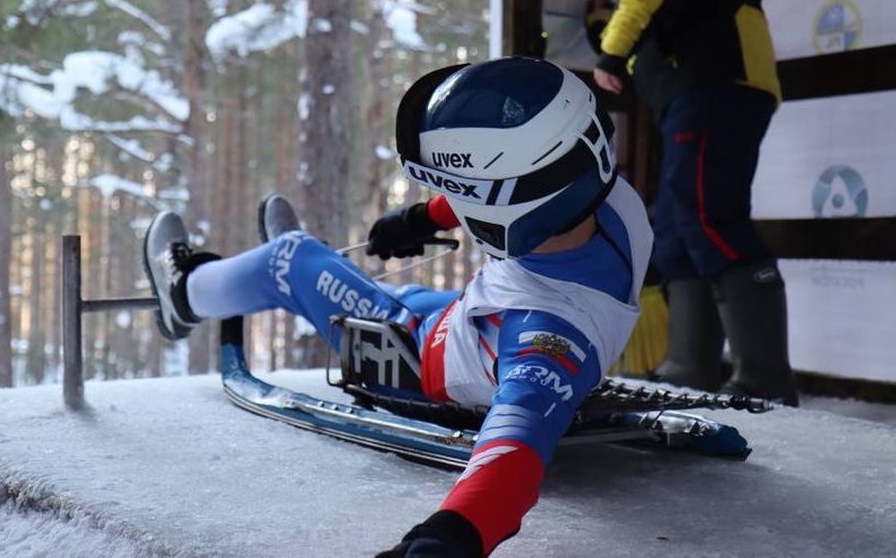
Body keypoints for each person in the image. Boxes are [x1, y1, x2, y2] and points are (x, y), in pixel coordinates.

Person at [144, 57, 652, 557]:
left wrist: (444, 539)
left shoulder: (544, 340)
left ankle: (188, 292)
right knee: (399, 294)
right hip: (468, 320)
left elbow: (511, 460)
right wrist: (421, 217)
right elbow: (537, 181)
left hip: (415, 357)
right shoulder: (605, 196)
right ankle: (303, 281)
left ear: (504, 215)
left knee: (291, 257)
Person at [588, 0, 798, 405]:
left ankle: (765, 378)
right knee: (677, 228)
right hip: (693, 84)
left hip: (717, 74)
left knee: (708, 217)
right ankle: (689, 369)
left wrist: (614, 46)